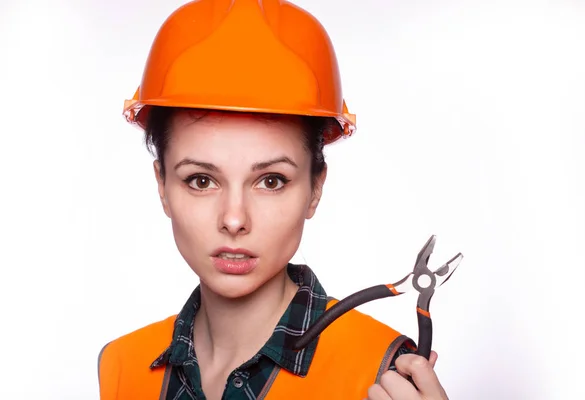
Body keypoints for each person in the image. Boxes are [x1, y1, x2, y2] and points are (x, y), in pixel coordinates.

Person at [97, 0, 450, 399]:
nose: (234, 219)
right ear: (162, 185)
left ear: (315, 188)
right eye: (200, 180)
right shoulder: (122, 367)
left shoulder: (384, 375)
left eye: (270, 181)